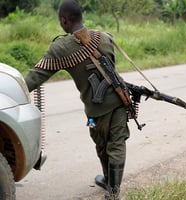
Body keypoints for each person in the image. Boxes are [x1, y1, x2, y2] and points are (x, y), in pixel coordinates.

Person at [25, 0, 129, 199]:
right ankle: (112, 189)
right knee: (115, 145)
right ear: (81, 17)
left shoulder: (61, 47)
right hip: (119, 103)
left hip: (96, 110)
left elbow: (35, 77)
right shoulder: (105, 37)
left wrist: (11, 92)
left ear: (64, 21)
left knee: (102, 145)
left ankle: (111, 187)